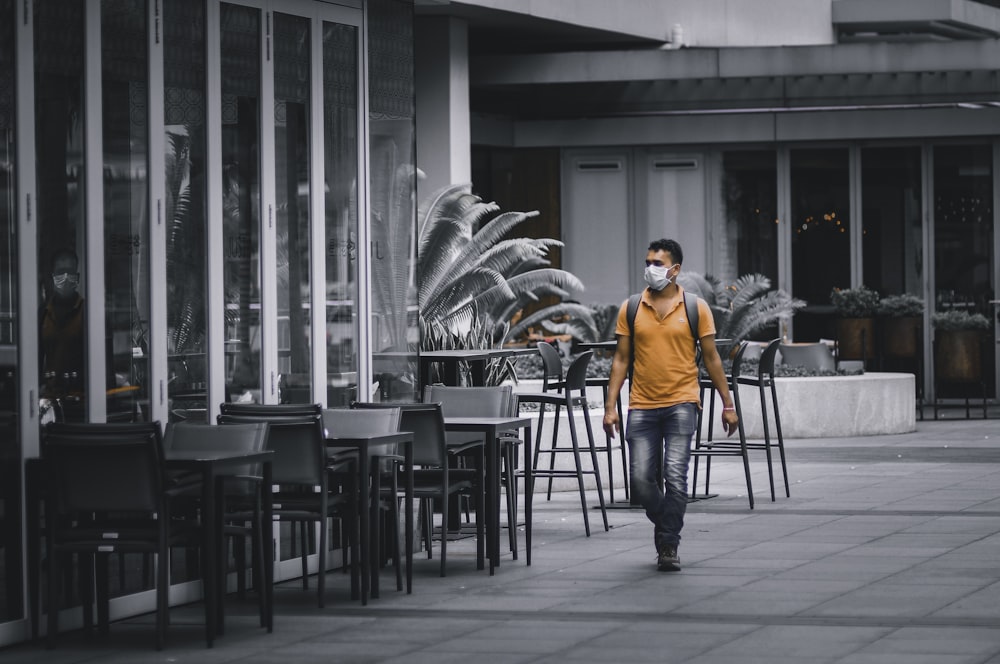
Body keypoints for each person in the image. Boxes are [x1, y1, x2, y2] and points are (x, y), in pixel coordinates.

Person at [602, 238, 738, 572]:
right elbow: (621, 359)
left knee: (676, 478)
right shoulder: (631, 307)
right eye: (648, 261)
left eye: (658, 263)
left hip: (682, 403)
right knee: (641, 481)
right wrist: (610, 406)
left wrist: (728, 403)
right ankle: (667, 523)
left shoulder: (695, 308)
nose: (651, 268)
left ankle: (667, 545)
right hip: (641, 406)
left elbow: (712, 359)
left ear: (675, 270)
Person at [39, 247, 86, 411]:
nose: (65, 277)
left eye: (70, 271)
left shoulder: (86, 312)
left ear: (77, 276)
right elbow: (37, 358)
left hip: (82, 399)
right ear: (53, 276)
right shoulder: (43, 313)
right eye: (61, 271)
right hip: (50, 398)